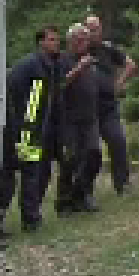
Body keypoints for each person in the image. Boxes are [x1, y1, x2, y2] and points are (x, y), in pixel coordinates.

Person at [2, 27, 62, 233]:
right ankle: (29, 219)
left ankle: (24, 216)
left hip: (25, 126)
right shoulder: (36, 67)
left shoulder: (44, 65)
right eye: (52, 39)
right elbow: (33, 103)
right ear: (41, 42)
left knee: (25, 173)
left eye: (57, 39)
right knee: (28, 173)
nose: (57, 43)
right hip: (25, 128)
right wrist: (31, 130)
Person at [54, 24, 104, 214]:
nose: (84, 43)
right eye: (80, 39)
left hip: (90, 117)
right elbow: (59, 85)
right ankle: (64, 201)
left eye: (86, 39)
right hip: (69, 118)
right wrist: (78, 68)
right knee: (70, 159)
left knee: (94, 155)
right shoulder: (63, 60)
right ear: (71, 41)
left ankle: (82, 194)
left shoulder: (91, 61)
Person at [84, 15, 136, 194]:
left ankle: (123, 184)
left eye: (95, 29)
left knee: (118, 142)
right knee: (90, 151)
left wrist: (119, 83)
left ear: (100, 30)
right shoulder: (79, 49)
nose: (92, 33)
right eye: (89, 29)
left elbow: (130, 65)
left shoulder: (108, 48)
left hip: (108, 107)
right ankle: (85, 190)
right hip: (87, 110)